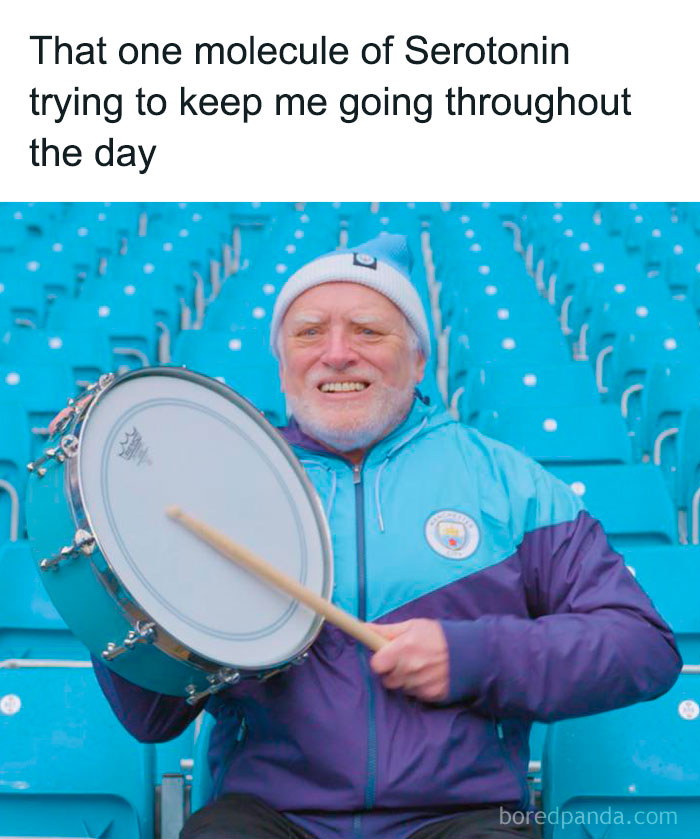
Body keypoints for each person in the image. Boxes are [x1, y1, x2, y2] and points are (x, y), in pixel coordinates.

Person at [91, 233, 681, 839]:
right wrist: (104, 510)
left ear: (419, 358)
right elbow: (152, 715)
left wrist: (473, 656)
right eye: (309, 332)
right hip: (271, 815)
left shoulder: (512, 487)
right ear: (283, 361)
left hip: (467, 813)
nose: (338, 353)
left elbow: (643, 647)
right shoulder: (218, 491)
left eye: (369, 331)